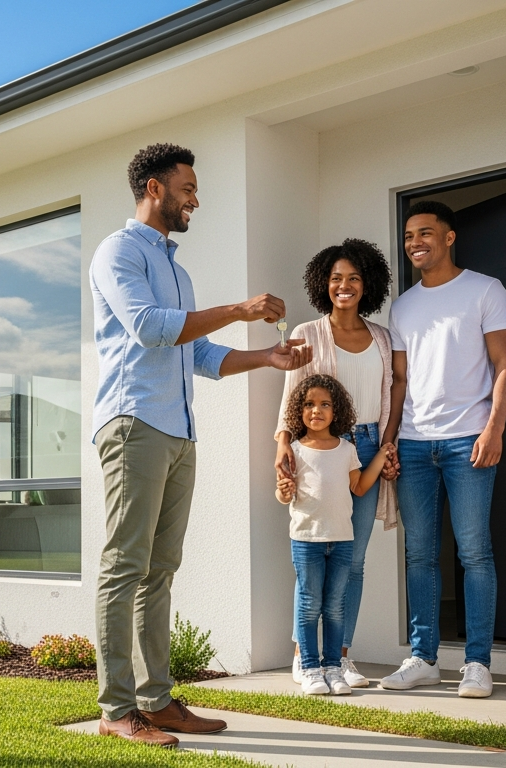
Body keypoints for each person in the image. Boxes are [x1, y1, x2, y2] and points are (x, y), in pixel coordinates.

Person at [90, 143, 313, 748]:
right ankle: (116, 710)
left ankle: (156, 701)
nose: (195, 199)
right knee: (125, 567)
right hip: (134, 423)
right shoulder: (118, 252)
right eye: (187, 188)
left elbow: (198, 354)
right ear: (154, 188)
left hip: (177, 431)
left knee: (159, 571)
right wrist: (239, 308)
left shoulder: (179, 272)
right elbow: (150, 328)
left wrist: (266, 357)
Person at [379, 200, 506, 699]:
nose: (415, 242)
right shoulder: (403, 305)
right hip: (415, 443)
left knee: (474, 551)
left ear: (449, 237)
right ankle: (424, 658)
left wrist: (495, 428)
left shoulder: (485, 289)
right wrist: (390, 438)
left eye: (425, 233)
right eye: (409, 235)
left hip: (468, 440)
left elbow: (505, 364)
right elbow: (399, 380)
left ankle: (478, 663)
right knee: (419, 554)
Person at [273, 239, 400, 691]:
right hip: (321, 449)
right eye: (335, 278)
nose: (344, 286)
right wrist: (282, 444)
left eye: (354, 278)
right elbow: (293, 395)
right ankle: (303, 656)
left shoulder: (382, 338)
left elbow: (391, 395)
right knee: (312, 555)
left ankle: (340, 658)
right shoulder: (308, 333)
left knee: (354, 560)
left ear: (368, 284)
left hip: (366, 447)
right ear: (323, 284)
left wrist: (386, 447)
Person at [275, 374, 393, 696]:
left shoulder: (347, 449)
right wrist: (284, 491)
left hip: (342, 539)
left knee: (335, 606)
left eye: (325, 404)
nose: (316, 410)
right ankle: (310, 668)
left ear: (336, 410)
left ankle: (332, 667)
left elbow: (359, 487)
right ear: (298, 410)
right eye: (309, 404)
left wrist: (380, 457)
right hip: (306, 540)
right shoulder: (295, 451)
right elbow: (284, 494)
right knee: (309, 604)